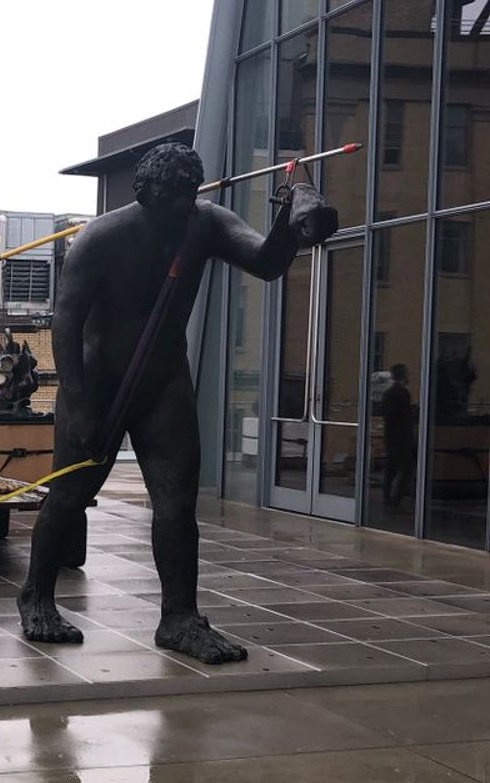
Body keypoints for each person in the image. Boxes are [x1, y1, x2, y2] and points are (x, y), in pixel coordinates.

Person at [17, 143, 337, 664]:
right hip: (99, 381)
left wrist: (294, 217)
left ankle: (179, 618)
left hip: (164, 380)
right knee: (71, 492)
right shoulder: (100, 238)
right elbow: (66, 321)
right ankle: (36, 596)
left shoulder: (202, 222)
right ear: (144, 194)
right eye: (170, 199)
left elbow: (267, 262)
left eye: (189, 197)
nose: (180, 209)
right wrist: (73, 399)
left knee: (176, 501)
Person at [381, 363, 414, 508]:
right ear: (403, 375)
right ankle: (396, 499)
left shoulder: (388, 393)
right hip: (402, 437)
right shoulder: (403, 393)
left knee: (391, 469)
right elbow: (406, 416)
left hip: (391, 436)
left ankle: (387, 497)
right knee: (406, 469)